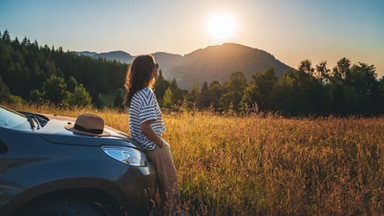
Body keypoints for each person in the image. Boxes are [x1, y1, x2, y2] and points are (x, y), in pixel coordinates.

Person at [124, 55, 180, 213]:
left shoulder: (136, 92)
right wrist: (160, 143)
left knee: (162, 183)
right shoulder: (146, 93)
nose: (157, 68)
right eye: (155, 64)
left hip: (142, 144)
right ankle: (174, 211)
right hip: (153, 146)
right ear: (148, 70)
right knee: (170, 183)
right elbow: (145, 126)